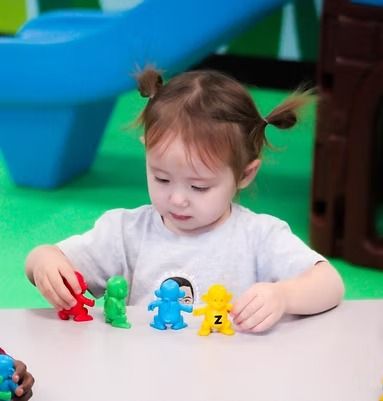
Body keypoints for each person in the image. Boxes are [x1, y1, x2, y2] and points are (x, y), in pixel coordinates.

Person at [25, 68, 344, 333]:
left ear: (245, 175)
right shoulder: (126, 231)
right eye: (161, 178)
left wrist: (283, 296)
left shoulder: (259, 237)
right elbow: (49, 258)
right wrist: (43, 261)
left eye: (199, 186)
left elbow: (330, 283)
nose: (177, 199)